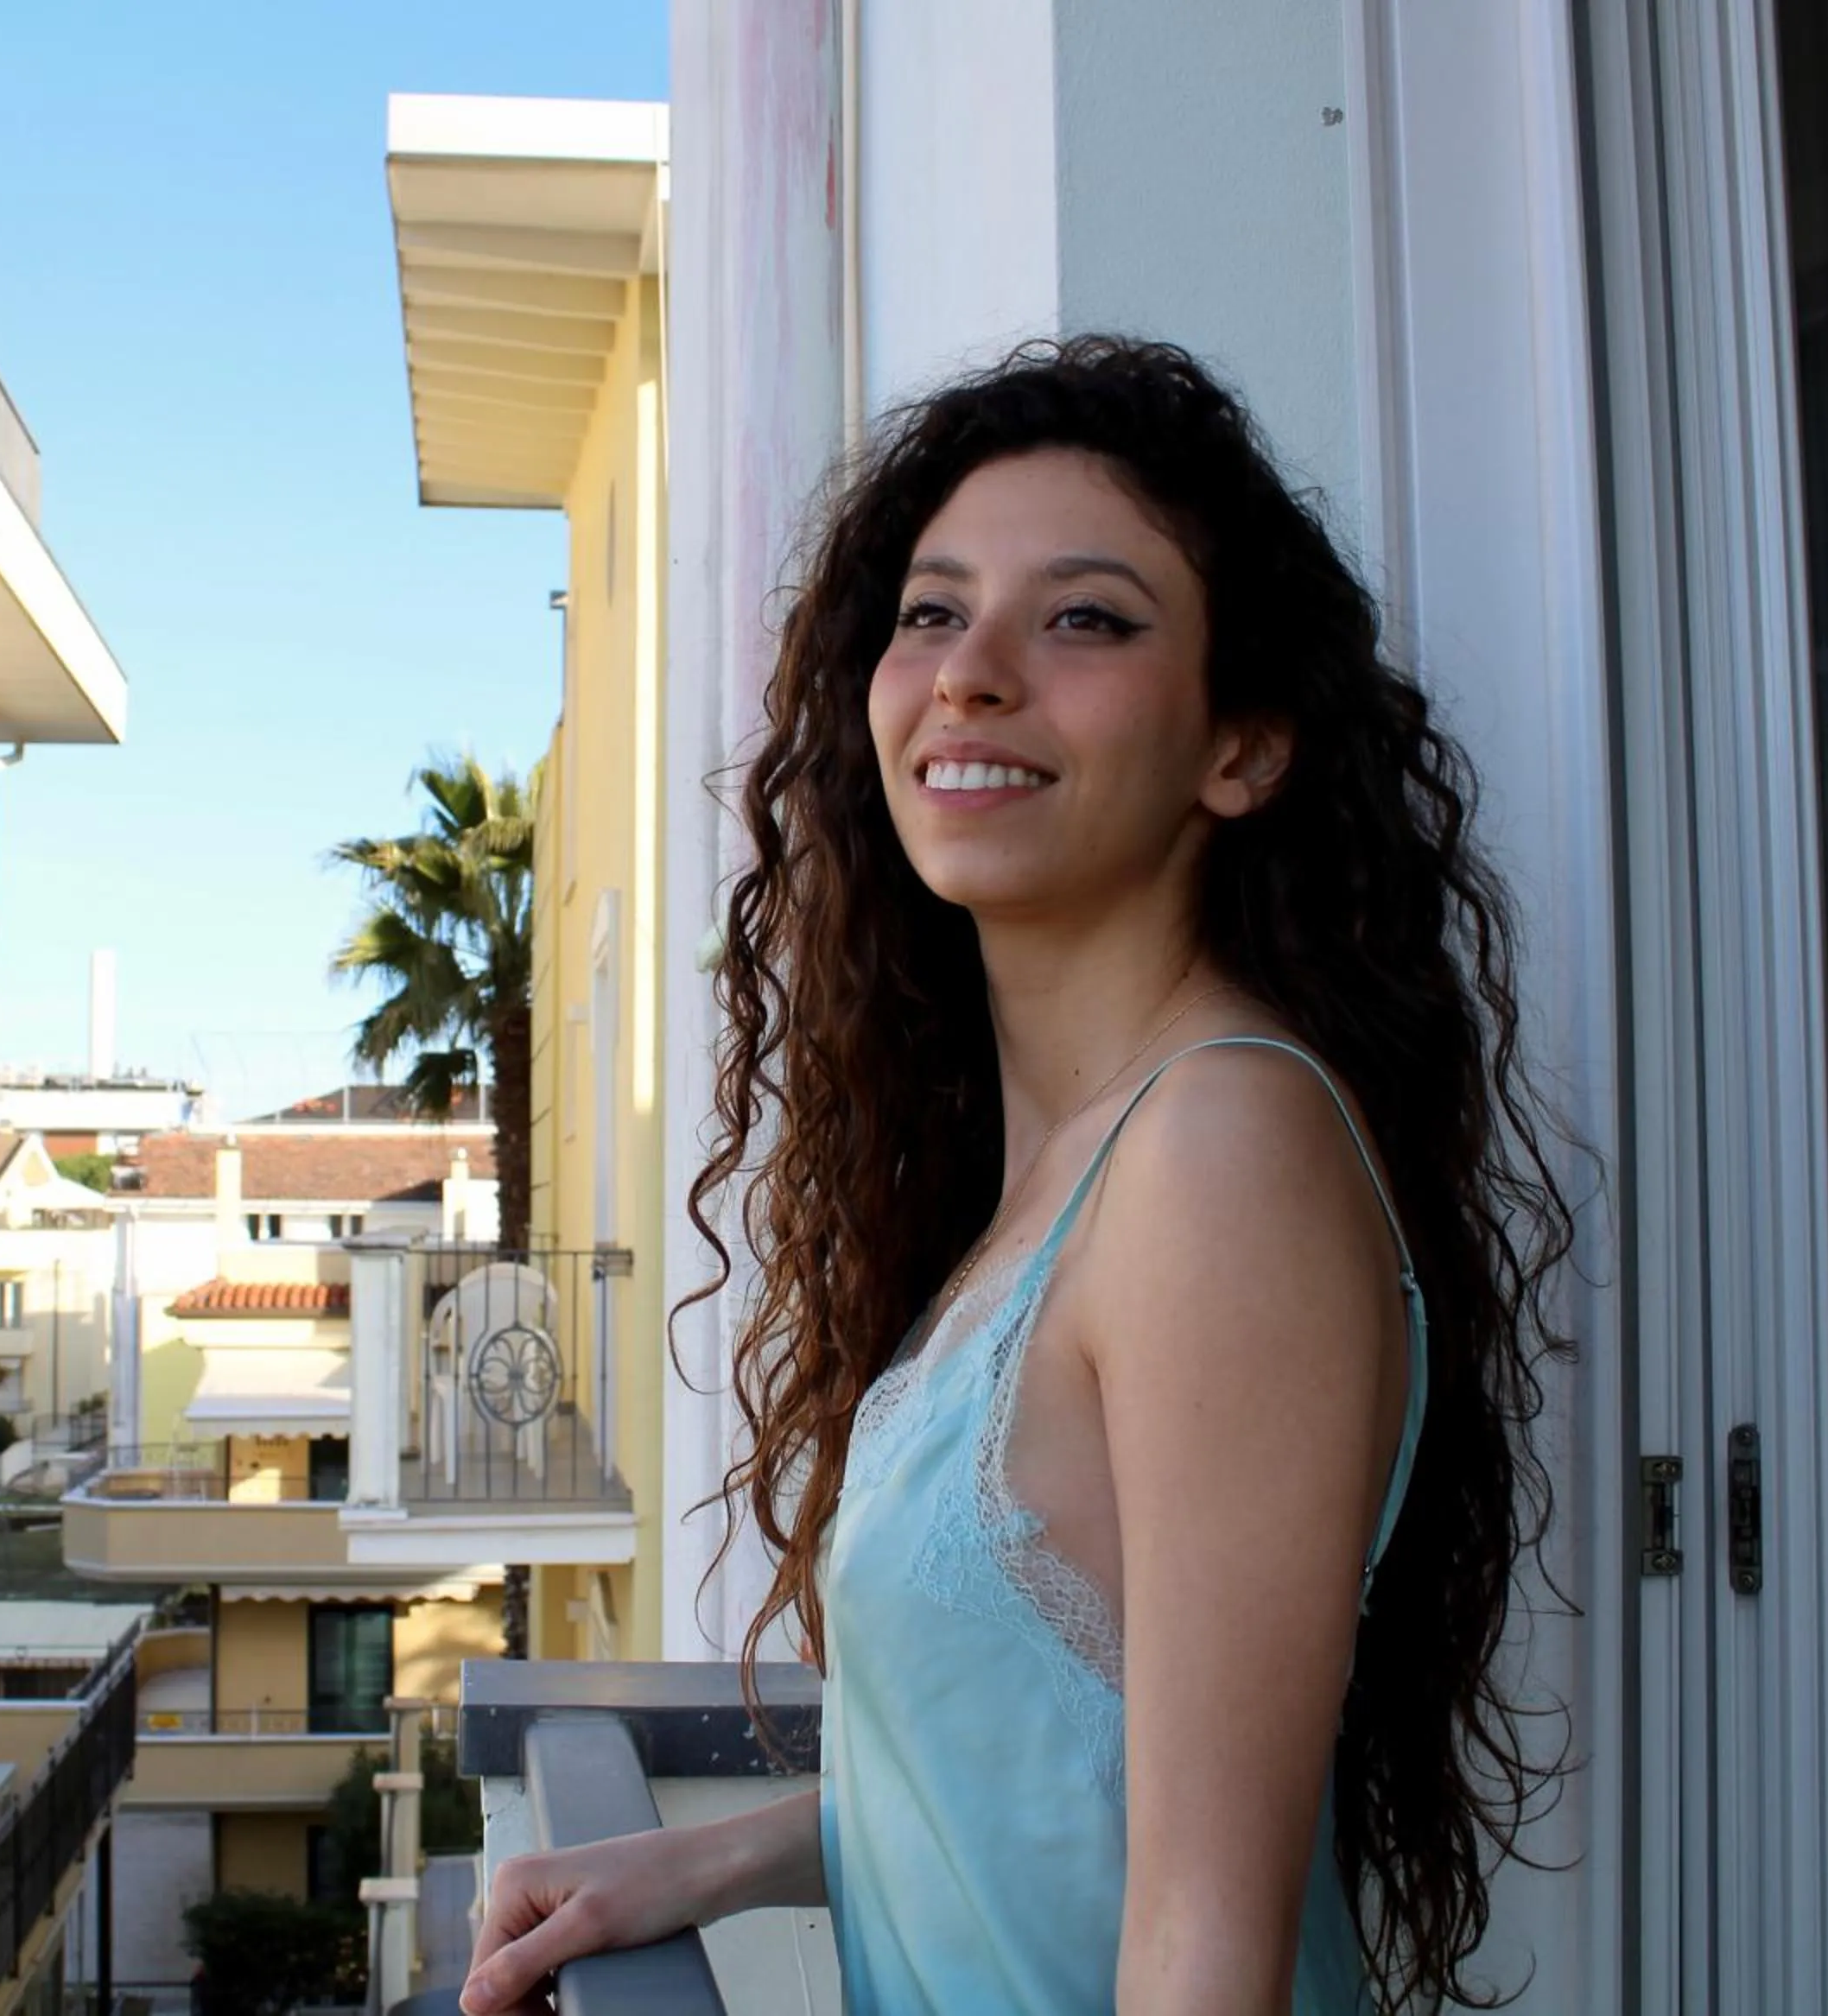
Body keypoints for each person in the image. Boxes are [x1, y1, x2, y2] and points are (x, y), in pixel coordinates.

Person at [459, 338, 1571, 2016]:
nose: (970, 675)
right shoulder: (1064, 1169)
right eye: (932, 611)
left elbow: (1205, 1945)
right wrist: (701, 1862)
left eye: (1087, 619)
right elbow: (1039, 1778)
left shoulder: (1218, 1153)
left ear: (1244, 748)